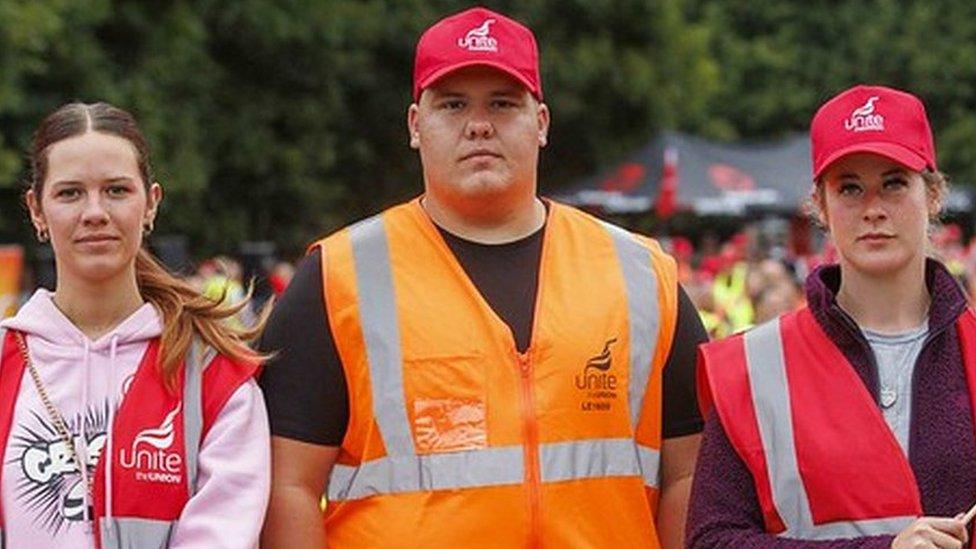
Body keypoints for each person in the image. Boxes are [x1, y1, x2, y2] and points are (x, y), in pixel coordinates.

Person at [259, 6, 706, 548]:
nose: (478, 124)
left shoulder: (640, 273)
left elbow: (691, 473)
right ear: (415, 125)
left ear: (540, 123)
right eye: (452, 104)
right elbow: (289, 486)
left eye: (502, 103)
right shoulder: (337, 277)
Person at [688, 85, 975, 548]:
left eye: (894, 182)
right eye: (850, 188)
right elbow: (711, 540)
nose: (874, 209)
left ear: (934, 195)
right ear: (819, 205)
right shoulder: (752, 366)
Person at [0, 102, 270, 548]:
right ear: (36, 210)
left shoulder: (213, 376)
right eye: (69, 193)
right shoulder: (7, 360)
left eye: (116, 190)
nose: (94, 212)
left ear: (151, 203)